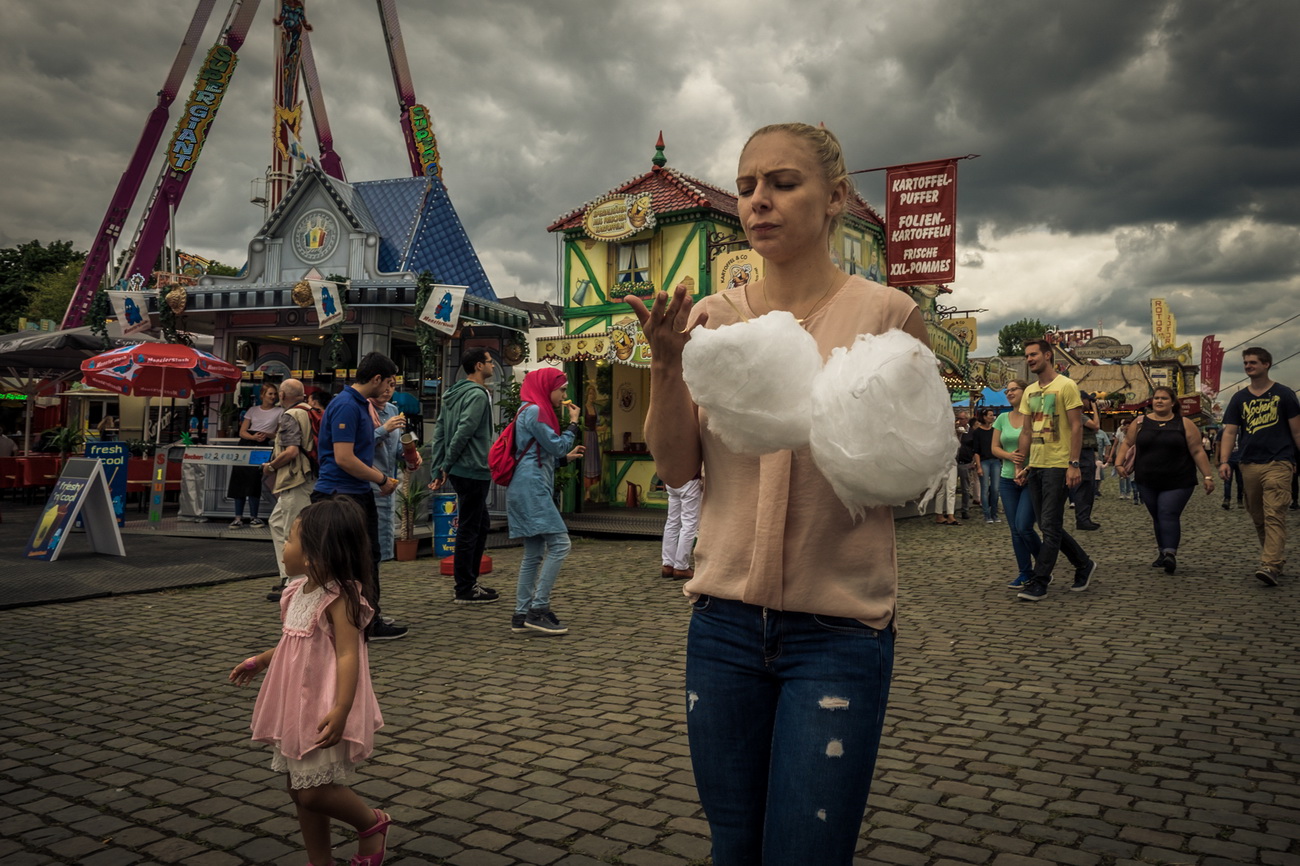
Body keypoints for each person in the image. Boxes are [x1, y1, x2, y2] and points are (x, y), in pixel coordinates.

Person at [625, 122, 927, 865]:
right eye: (747, 186)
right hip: (723, 624)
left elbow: (909, 477)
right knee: (734, 847)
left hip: (839, 630)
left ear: (836, 197)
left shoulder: (889, 315)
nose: (759, 200)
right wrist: (665, 364)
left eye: (783, 183)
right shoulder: (712, 318)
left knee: (806, 850)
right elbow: (677, 470)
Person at [228, 498, 390, 866]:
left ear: (315, 553)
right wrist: (260, 660)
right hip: (294, 706)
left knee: (315, 791)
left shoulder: (340, 599)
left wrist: (342, 708)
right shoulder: (294, 591)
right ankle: (319, 860)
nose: (284, 545)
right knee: (298, 787)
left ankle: (372, 824)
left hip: (322, 705)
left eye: (290, 539)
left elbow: (348, 655)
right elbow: (294, 643)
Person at [313, 353, 408, 640]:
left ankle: (366, 616)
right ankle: (361, 621)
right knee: (353, 560)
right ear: (377, 379)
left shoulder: (359, 404)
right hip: (341, 494)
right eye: (389, 382)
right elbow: (344, 458)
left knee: (366, 557)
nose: (390, 389)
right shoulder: (347, 405)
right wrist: (381, 479)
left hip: (356, 492)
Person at [1012, 339, 1097, 601]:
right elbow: (1027, 431)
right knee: (1047, 525)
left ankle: (1040, 582)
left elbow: (1076, 426)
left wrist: (1074, 464)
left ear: (1048, 355)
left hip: (1059, 465)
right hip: (1037, 465)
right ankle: (1083, 564)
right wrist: (1022, 464)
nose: (1029, 359)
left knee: (1049, 526)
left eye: (1034, 354)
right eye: (1027, 355)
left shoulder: (1066, 386)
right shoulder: (1029, 391)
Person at [506, 368, 584, 635]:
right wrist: (573, 424)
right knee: (561, 544)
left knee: (533, 552)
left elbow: (539, 451)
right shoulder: (535, 411)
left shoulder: (528, 409)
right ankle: (538, 609)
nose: (564, 394)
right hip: (532, 488)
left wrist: (565, 459)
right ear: (546, 387)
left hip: (525, 484)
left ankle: (521, 614)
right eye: (561, 389)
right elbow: (556, 446)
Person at [1217, 347, 1300, 586]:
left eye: (1253, 362)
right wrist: (1224, 461)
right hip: (1248, 463)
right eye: (1245, 363)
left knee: (1274, 513)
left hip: (1279, 462)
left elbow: (1297, 431)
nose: (1248, 366)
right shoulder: (1239, 398)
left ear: (1266, 364)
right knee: (1259, 516)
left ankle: (1270, 565)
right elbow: (1230, 432)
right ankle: (1274, 558)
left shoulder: (1284, 394)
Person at [1115, 387, 1215, 574]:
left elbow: (1197, 451)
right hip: (1147, 479)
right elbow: (1127, 443)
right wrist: (1119, 463)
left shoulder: (1184, 423)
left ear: (1173, 402)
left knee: (1167, 512)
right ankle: (1162, 551)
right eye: (1156, 398)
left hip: (1179, 480)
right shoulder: (1140, 422)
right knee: (1158, 516)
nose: (1159, 401)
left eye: (1164, 398)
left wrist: (1207, 476)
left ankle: (1170, 553)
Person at [429, 348, 501, 604]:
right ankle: (465, 587)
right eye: (490, 362)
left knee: (480, 524)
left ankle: (470, 581)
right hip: (472, 467)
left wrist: (439, 467)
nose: (493, 366)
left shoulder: (453, 393)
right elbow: (464, 430)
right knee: (471, 527)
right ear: (479, 366)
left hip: (461, 468)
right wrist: (445, 464)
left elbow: (440, 432)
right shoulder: (478, 394)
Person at [263, 379, 316, 601]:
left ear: (282, 395)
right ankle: (287, 576)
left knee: (292, 532)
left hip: (296, 479)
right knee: (276, 522)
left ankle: (295, 585)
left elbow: (292, 451)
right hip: (310, 477)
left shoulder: (290, 415)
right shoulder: (310, 411)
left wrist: (271, 466)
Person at [991, 380, 1041, 589]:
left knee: (1023, 526)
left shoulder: (1035, 417)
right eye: (1007, 390)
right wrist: (1009, 456)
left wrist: (1026, 467)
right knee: (1015, 529)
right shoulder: (1002, 418)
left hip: (1031, 477)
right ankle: (1025, 572)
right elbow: (994, 447)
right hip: (1007, 479)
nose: (1009, 393)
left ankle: (1044, 565)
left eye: (1013, 389)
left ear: (1025, 392)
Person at [229, 384, 282, 529]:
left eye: (275, 394)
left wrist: (266, 435)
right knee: (239, 479)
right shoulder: (252, 410)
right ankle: (238, 517)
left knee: (254, 480)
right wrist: (253, 437)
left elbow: (278, 433)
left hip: (263, 444)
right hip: (246, 443)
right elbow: (242, 431)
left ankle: (254, 517)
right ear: (262, 395)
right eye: (270, 394)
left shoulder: (279, 411)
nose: (273, 397)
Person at [369, 379, 406, 562]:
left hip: (389, 484)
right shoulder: (363, 409)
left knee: (384, 543)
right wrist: (384, 429)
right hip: (369, 482)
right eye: (385, 384)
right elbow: (359, 446)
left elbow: (395, 447)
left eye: (392, 386)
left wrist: (409, 452)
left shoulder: (392, 410)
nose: (388, 390)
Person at [1068, 393, 1102, 530]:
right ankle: (1082, 519)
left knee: (1088, 487)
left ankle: (1084, 518)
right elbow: (1096, 426)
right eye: (1088, 400)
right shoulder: (1078, 415)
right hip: (1082, 453)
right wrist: (1095, 409)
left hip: (1085, 452)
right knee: (1085, 486)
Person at [661, 472, 703, 578]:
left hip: (671, 479)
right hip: (690, 478)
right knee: (689, 524)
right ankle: (681, 567)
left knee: (672, 522)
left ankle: (668, 565)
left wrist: (664, 477)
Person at [972, 407, 1001, 523]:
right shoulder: (977, 432)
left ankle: (994, 513)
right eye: (990, 415)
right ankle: (987, 514)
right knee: (984, 488)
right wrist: (978, 466)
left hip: (995, 461)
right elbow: (976, 451)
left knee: (995, 489)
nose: (992, 417)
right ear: (984, 417)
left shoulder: (995, 431)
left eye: (993, 415)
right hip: (984, 461)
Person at [1215, 426, 1244, 509]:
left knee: (1240, 482)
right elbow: (1218, 445)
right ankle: (1227, 499)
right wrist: (1217, 458)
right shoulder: (1223, 431)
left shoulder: (1242, 430)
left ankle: (1240, 499)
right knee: (1227, 481)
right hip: (1228, 460)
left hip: (1240, 459)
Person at [955, 409, 977, 520]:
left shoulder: (972, 432)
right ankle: (950, 511)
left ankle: (965, 510)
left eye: (961, 419)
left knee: (965, 488)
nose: (959, 421)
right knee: (949, 489)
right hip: (953, 462)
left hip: (965, 462)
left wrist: (974, 461)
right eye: (957, 418)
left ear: (967, 420)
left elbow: (976, 447)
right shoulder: (954, 431)